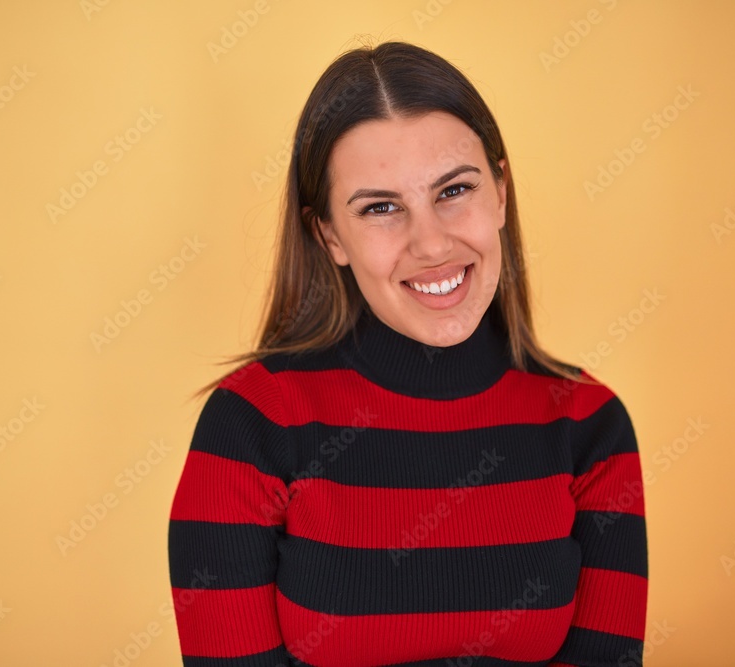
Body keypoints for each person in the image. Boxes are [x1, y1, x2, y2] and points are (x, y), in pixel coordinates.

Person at [168, 40, 648, 666]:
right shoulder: (251, 426)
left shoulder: (590, 425)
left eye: (454, 191)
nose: (431, 244)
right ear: (329, 236)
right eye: (382, 208)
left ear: (500, 191)